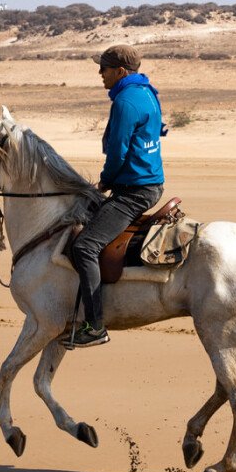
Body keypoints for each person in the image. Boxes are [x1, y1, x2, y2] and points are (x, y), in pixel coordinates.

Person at [63, 44, 165, 348]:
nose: (99, 74)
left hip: (134, 191)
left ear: (120, 72)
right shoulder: (147, 92)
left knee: (84, 246)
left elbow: (119, 151)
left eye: (104, 68)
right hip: (147, 183)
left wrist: (105, 182)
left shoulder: (125, 101)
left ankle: (95, 326)